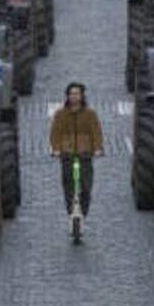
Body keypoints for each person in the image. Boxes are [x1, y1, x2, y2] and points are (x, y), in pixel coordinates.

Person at [49, 82, 104, 218]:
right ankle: (71, 211)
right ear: (67, 96)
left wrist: (97, 148)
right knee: (68, 185)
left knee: (86, 186)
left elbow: (96, 132)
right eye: (71, 94)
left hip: (85, 153)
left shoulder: (90, 114)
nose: (74, 97)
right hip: (67, 154)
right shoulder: (60, 114)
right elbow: (55, 133)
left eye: (77, 94)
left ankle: (83, 212)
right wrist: (56, 149)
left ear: (82, 96)